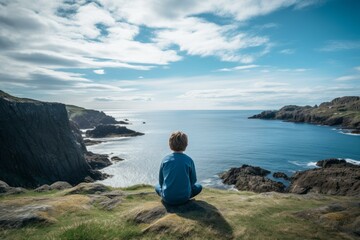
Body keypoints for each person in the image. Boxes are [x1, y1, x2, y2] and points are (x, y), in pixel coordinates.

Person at [155, 131, 202, 205]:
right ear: (186, 145)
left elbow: (161, 181)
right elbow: (193, 181)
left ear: (170, 144)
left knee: (157, 186)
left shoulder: (165, 160)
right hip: (184, 198)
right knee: (199, 186)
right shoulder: (189, 160)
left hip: (167, 198)